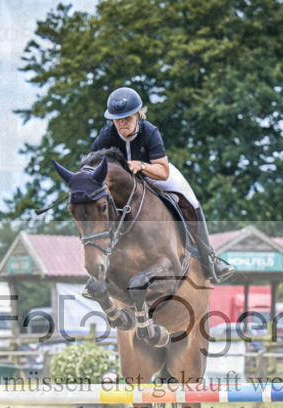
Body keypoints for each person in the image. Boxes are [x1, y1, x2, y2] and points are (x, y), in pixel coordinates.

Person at [90, 86, 234, 284]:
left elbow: (163, 170)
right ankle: (98, 268)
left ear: (138, 115)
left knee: (190, 199)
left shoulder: (149, 132)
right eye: (117, 119)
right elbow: (92, 164)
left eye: (127, 118)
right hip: (123, 183)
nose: (122, 124)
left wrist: (141, 166)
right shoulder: (106, 134)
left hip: (150, 172)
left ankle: (209, 259)